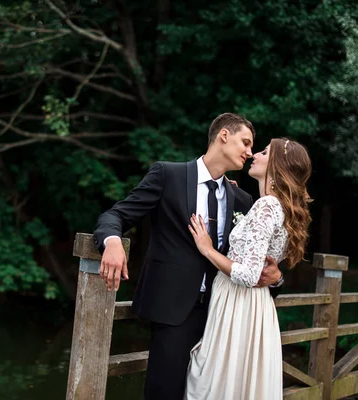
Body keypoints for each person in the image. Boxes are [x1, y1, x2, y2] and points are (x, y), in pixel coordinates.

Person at [93, 113, 284, 400]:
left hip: (224, 316)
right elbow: (116, 214)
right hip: (173, 312)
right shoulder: (168, 175)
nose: (249, 152)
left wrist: (278, 279)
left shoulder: (244, 201)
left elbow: (259, 259)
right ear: (223, 136)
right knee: (164, 393)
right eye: (245, 142)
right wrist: (112, 242)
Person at [184, 138, 312, 399]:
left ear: (277, 165)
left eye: (264, 152)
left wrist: (207, 249)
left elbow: (248, 274)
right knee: (238, 381)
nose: (255, 154)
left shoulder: (267, 206)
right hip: (255, 306)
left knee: (216, 380)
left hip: (238, 303)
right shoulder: (277, 206)